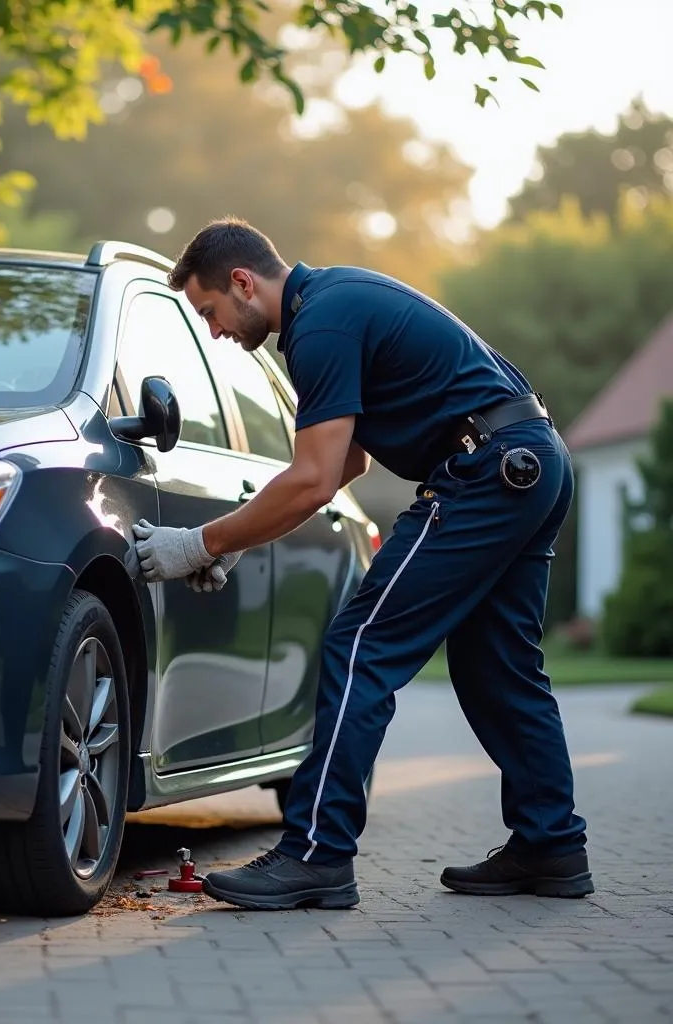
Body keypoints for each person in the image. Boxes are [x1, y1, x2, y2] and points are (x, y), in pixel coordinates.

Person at [131, 217, 593, 911]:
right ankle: (551, 845)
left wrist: (200, 543)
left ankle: (316, 854)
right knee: (497, 663)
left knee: (360, 646)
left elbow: (313, 478)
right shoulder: (333, 307)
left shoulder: (321, 326)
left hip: (489, 471)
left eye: (210, 311)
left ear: (242, 282)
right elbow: (346, 462)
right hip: (528, 462)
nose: (215, 330)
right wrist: (237, 542)